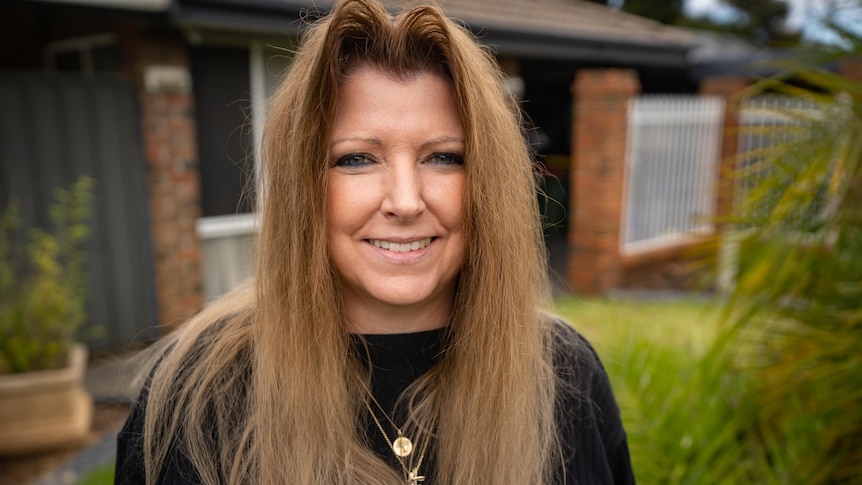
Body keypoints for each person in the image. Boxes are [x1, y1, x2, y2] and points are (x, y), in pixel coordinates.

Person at [114, 0, 634, 483]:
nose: (405, 202)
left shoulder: (567, 377)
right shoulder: (193, 398)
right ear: (302, 187)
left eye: (444, 157)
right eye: (357, 159)